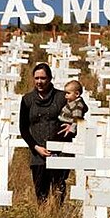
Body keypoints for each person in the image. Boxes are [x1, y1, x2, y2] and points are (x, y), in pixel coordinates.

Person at [19, 63, 74, 203]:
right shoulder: (27, 100)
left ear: (49, 78)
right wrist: (36, 147)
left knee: (58, 194)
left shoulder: (62, 97)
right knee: (41, 197)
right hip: (38, 155)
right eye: (36, 78)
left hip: (60, 152)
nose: (39, 81)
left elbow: (79, 112)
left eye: (43, 78)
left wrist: (72, 127)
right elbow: (23, 129)